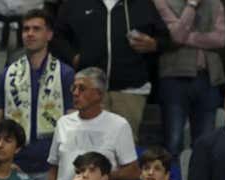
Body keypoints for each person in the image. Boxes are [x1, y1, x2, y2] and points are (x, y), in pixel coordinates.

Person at [50, 0, 168, 139]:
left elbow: (165, 38)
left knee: (124, 147)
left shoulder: (142, 3)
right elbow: (56, 38)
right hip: (88, 89)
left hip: (130, 90)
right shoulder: (74, 3)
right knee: (89, 147)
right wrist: (74, 58)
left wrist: (154, 44)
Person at [0, 9, 74, 180]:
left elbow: (72, 123)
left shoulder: (65, 74)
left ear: (49, 34)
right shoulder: (8, 74)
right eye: (26, 29)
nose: (29, 34)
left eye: (36, 29)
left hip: (49, 167)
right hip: (14, 166)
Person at [45, 68, 139, 180]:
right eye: (74, 88)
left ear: (98, 94)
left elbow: (133, 172)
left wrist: (99, 177)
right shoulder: (63, 123)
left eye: (82, 89)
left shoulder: (118, 125)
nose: (75, 93)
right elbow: (53, 169)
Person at [151, 0, 225, 157]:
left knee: (205, 142)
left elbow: (220, 39)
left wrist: (186, 38)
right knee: (173, 141)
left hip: (208, 77)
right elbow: (176, 35)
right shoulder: (161, 1)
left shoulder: (215, 3)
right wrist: (191, 5)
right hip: (174, 78)